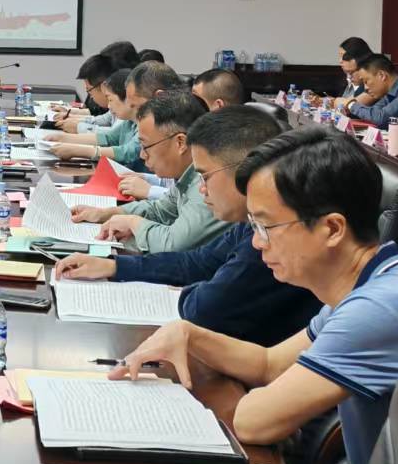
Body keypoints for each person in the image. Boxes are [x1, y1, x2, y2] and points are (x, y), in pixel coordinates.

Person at [109, 127, 398, 464]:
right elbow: (269, 364)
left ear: (332, 229)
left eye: (266, 227)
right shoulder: (373, 285)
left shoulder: (381, 309)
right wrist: (187, 334)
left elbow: (252, 422)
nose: (257, 243)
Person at [54, 108, 321, 346]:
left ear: (245, 172)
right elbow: (197, 263)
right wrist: (114, 267)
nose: (202, 188)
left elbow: (204, 308)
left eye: (205, 176)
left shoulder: (273, 235)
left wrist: (197, 287)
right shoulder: (248, 224)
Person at [72, 90, 225, 253]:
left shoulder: (208, 182)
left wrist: (133, 223)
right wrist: (104, 214)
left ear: (180, 143)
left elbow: (173, 244)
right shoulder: (187, 174)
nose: (142, 155)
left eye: (146, 146)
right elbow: (160, 210)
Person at [52, 61, 181, 168]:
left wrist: (78, 150)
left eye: (134, 103)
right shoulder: (132, 121)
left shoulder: (165, 126)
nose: (130, 105)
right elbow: (108, 137)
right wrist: (64, 139)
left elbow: (129, 153)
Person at [58, 54, 117, 132]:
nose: (90, 96)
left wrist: (78, 128)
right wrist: (72, 119)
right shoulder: (113, 108)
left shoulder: (123, 105)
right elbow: (102, 120)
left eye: (89, 90)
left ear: (103, 86)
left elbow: (114, 135)